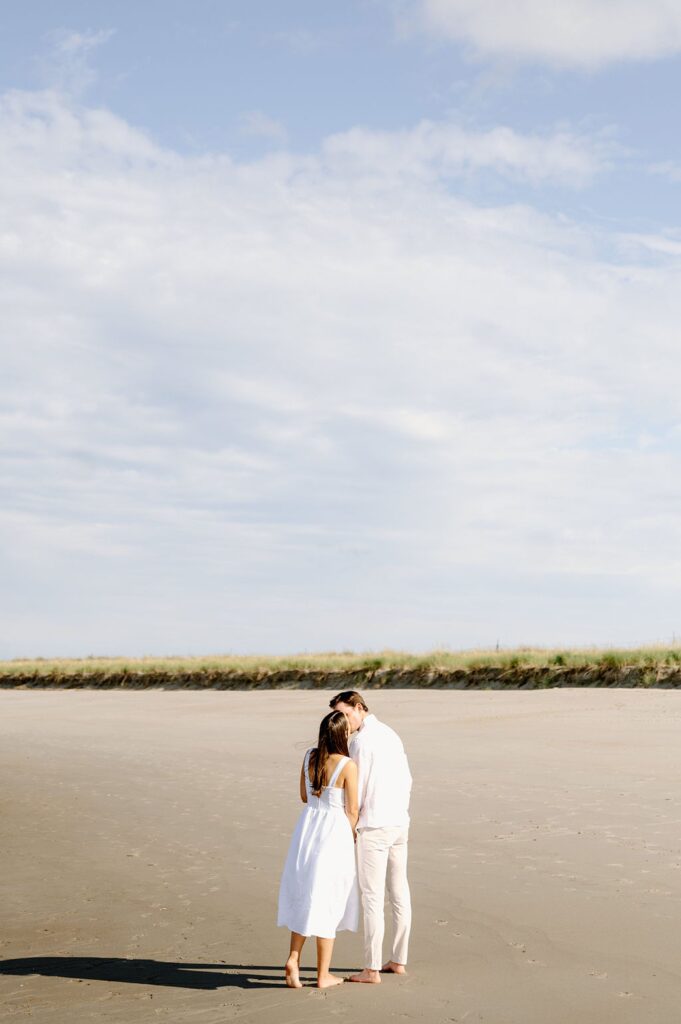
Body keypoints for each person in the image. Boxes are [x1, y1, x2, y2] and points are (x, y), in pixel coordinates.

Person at [329, 690, 412, 984]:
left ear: (360, 708)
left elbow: (357, 790)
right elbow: (407, 779)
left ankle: (371, 968)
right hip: (399, 822)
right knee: (399, 891)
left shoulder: (361, 742)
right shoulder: (391, 733)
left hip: (375, 825)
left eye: (346, 714)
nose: (345, 722)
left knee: (374, 898)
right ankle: (398, 960)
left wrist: (350, 827)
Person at [277, 710, 360, 989]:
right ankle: (323, 975)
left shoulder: (308, 757)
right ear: (342, 734)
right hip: (333, 834)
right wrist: (350, 835)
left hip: (307, 831)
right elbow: (352, 810)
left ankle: (293, 958)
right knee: (328, 899)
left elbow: (304, 796)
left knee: (305, 894)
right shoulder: (347, 764)